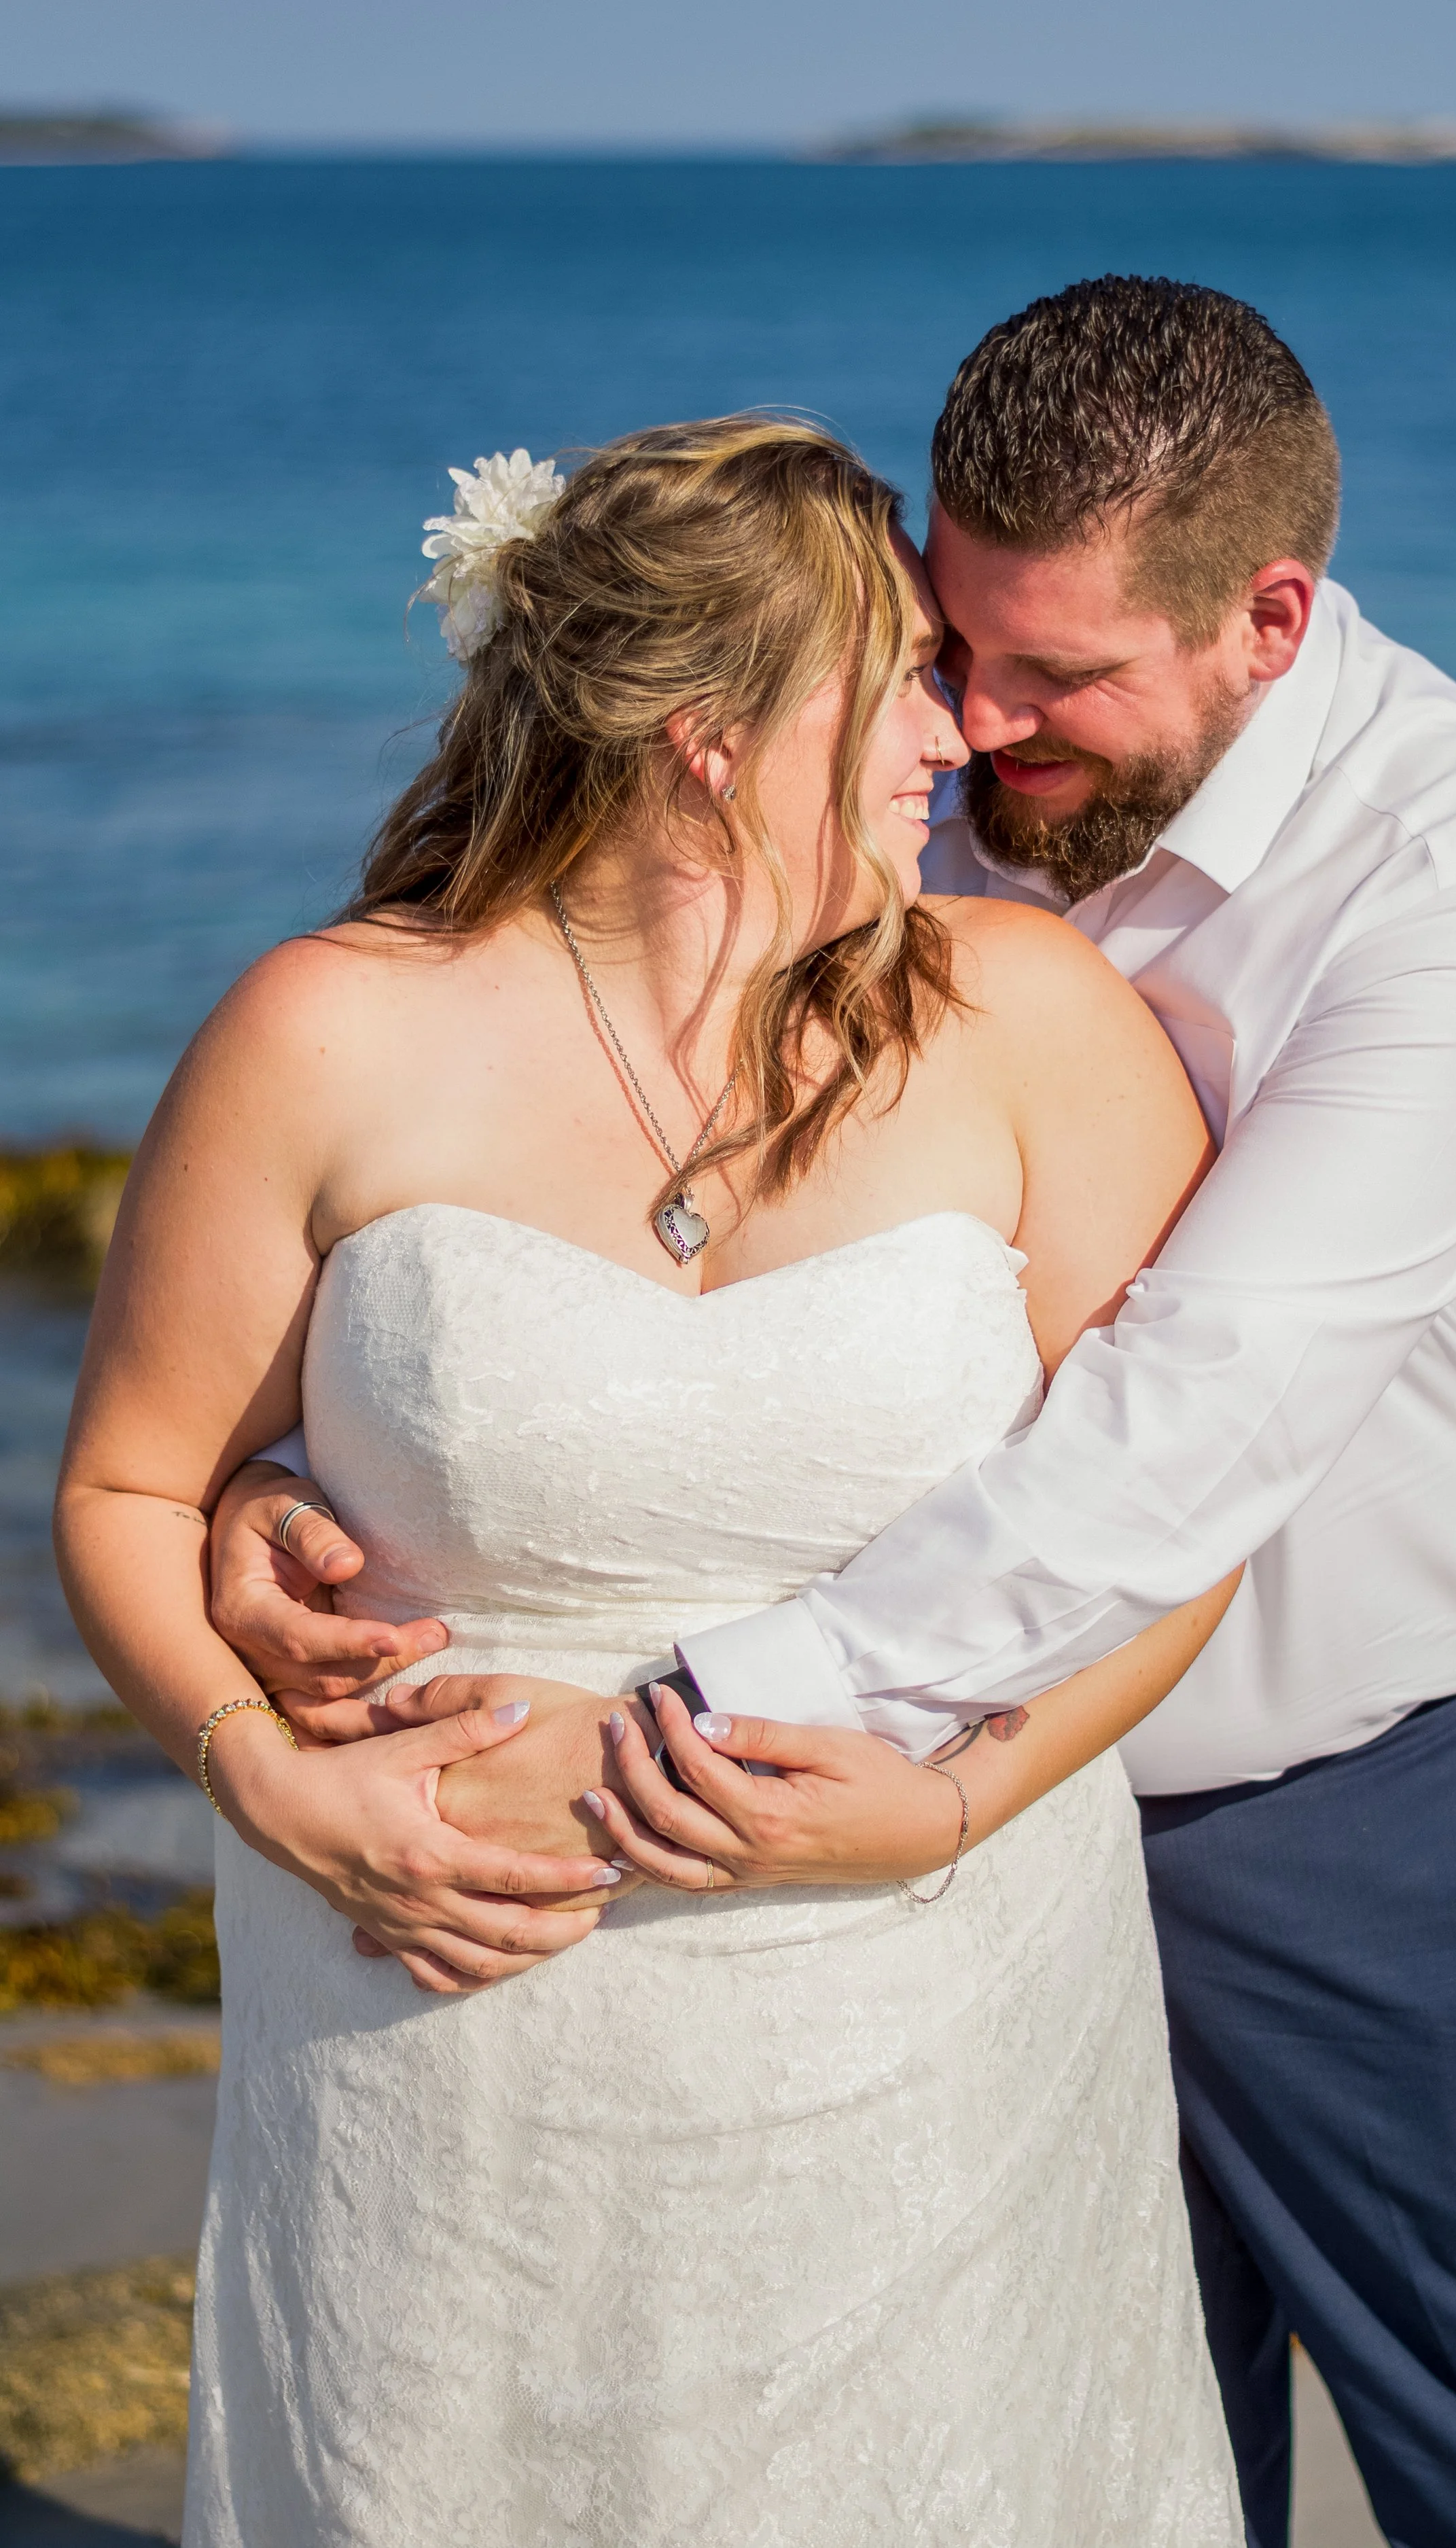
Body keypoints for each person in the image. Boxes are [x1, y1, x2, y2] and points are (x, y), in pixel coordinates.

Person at [217, 283, 1456, 2545]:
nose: (983, 728)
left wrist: (678, 1735)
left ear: (1268, 619)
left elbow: (1186, 1420)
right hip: (939, 1866)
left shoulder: (1455, 865)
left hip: (1330, 1803)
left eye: (1058, 677)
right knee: (1098, 2443)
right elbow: (601, 1181)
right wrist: (284, 1474)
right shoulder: (927, 779)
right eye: (946, 648)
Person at [56, 417, 1246, 2545]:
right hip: (438, 2020)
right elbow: (138, 1490)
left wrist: (954, 1797)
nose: (958, 733)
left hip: (924, 2007)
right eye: (897, 675)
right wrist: (263, 1769)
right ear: (710, 732)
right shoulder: (327, 1031)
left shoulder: (1035, 1021)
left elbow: (1179, 1527)